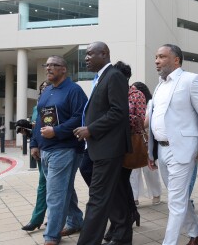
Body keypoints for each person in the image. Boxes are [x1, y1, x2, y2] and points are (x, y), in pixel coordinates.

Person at [146, 43, 198, 245]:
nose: (156, 61)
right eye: (156, 57)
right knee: (180, 198)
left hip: (183, 150)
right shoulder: (159, 85)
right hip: (162, 149)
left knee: (175, 202)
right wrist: (151, 152)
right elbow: (155, 120)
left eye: (161, 57)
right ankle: (196, 232)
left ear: (176, 59)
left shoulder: (191, 80)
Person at [73, 41, 132, 245]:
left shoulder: (114, 75)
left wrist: (91, 129)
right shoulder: (101, 78)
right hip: (98, 147)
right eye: (85, 55)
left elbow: (119, 111)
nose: (86, 58)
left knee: (97, 199)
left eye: (90, 54)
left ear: (104, 54)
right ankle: (122, 236)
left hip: (108, 148)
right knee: (115, 193)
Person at [30, 56, 87, 245]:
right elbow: (39, 120)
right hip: (45, 149)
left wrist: (56, 131)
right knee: (64, 189)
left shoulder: (74, 91)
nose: (49, 68)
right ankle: (76, 221)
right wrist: (34, 143)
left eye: (54, 65)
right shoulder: (46, 91)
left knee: (54, 194)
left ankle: (51, 236)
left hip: (65, 149)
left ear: (64, 69)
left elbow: (81, 118)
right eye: (47, 65)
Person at [102, 61, 141, 243]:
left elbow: (140, 122)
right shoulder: (110, 91)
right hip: (112, 144)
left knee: (120, 184)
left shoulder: (136, 94)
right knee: (120, 185)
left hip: (128, 145)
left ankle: (122, 222)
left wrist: (121, 115)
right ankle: (126, 217)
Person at [21, 80, 49, 231]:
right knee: (45, 185)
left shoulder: (56, 103)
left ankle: (43, 219)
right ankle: (39, 219)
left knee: (51, 185)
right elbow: (35, 129)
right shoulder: (36, 107)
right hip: (40, 149)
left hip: (55, 149)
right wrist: (32, 144)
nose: (44, 89)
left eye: (47, 86)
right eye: (41, 87)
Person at [129, 82, 162, 206]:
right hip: (134, 139)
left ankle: (156, 194)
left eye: (135, 90)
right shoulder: (131, 102)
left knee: (150, 169)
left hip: (147, 140)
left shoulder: (150, 103)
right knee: (134, 170)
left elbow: (147, 122)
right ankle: (134, 197)